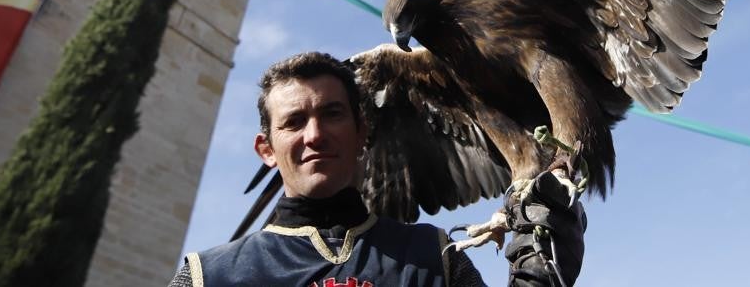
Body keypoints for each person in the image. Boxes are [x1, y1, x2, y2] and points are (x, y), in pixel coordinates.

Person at [169, 51, 587, 286]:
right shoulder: (210, 276)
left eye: (332, 114)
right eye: (293, 122)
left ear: (363, 132)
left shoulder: (435, 259)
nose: (314, 135)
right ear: (267, 149)